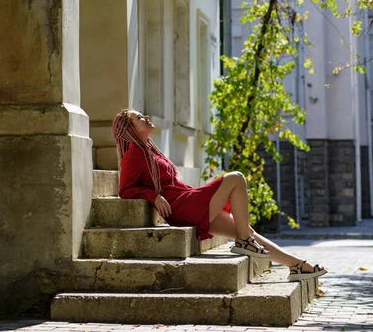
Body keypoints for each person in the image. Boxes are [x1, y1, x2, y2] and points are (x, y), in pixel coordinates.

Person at [113, 108, 327, 282]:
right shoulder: (134, 154)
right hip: (181, 207)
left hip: (187, 199)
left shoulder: (148, 148)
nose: (146, 117)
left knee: (247, 231)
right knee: (235, 178)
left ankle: (296, 265)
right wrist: (154, 196)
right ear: (129, 128)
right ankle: (244, 242)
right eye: (139, 117)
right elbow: (125, 190)